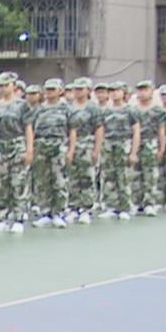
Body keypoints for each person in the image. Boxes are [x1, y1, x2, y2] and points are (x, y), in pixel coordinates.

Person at [0, 74, 33, 234]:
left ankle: (18, 217)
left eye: (7, 85)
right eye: (1, 85)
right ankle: (2, 217)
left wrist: (29, 149)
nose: (4, 88)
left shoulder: (22, 105)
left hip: (17, 143)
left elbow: (28, 128)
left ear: (14, 86)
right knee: (0, 183)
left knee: (18, 182)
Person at [30, 79, 71, 226]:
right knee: (42, 180)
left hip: (59, 144)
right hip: (41, 144)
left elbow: (72, 130)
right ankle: (45, 212)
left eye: (53, 89)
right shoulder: (39, 109)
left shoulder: (66, 108)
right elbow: (32, 129)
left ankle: (59, 212)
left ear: (60, 91)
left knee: (59, 179)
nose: (49, 92)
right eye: (47, 89)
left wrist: (71, 150)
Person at [101, 83, 139, 220]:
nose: (114, 93)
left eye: (117, 91)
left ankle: (126, 206)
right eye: (111, 91)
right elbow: (102, 130)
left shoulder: (130, 110)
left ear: (124, 92)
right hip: (109, 144)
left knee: (124, 176)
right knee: (109, 176)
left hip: (124, 144)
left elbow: (136, 131)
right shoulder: (106, 111)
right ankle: (112, 206)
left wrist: (134, 152)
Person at [65, 77, 101, 223]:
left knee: (87, 177)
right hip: (70, 144)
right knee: (72, 177)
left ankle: (86, 208)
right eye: (76, 89)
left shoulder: (93, 108)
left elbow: (99, 128)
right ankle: (73, 207)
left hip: (87, 143)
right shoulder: (68, 107)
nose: (78, 92)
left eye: (81, 89)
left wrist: (96, 150)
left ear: (88, 90)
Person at [136, 81, 163, 215]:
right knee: (135, 174)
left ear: (151, 91)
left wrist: (161, 147)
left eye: (145, 90)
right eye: (140, 90)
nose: (142, 93)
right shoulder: (134, 109)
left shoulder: (158, 110)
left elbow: (161, 130)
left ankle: (150, 203)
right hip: (136, 143)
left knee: (150, 174)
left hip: (151, 143)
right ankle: (137, 202)